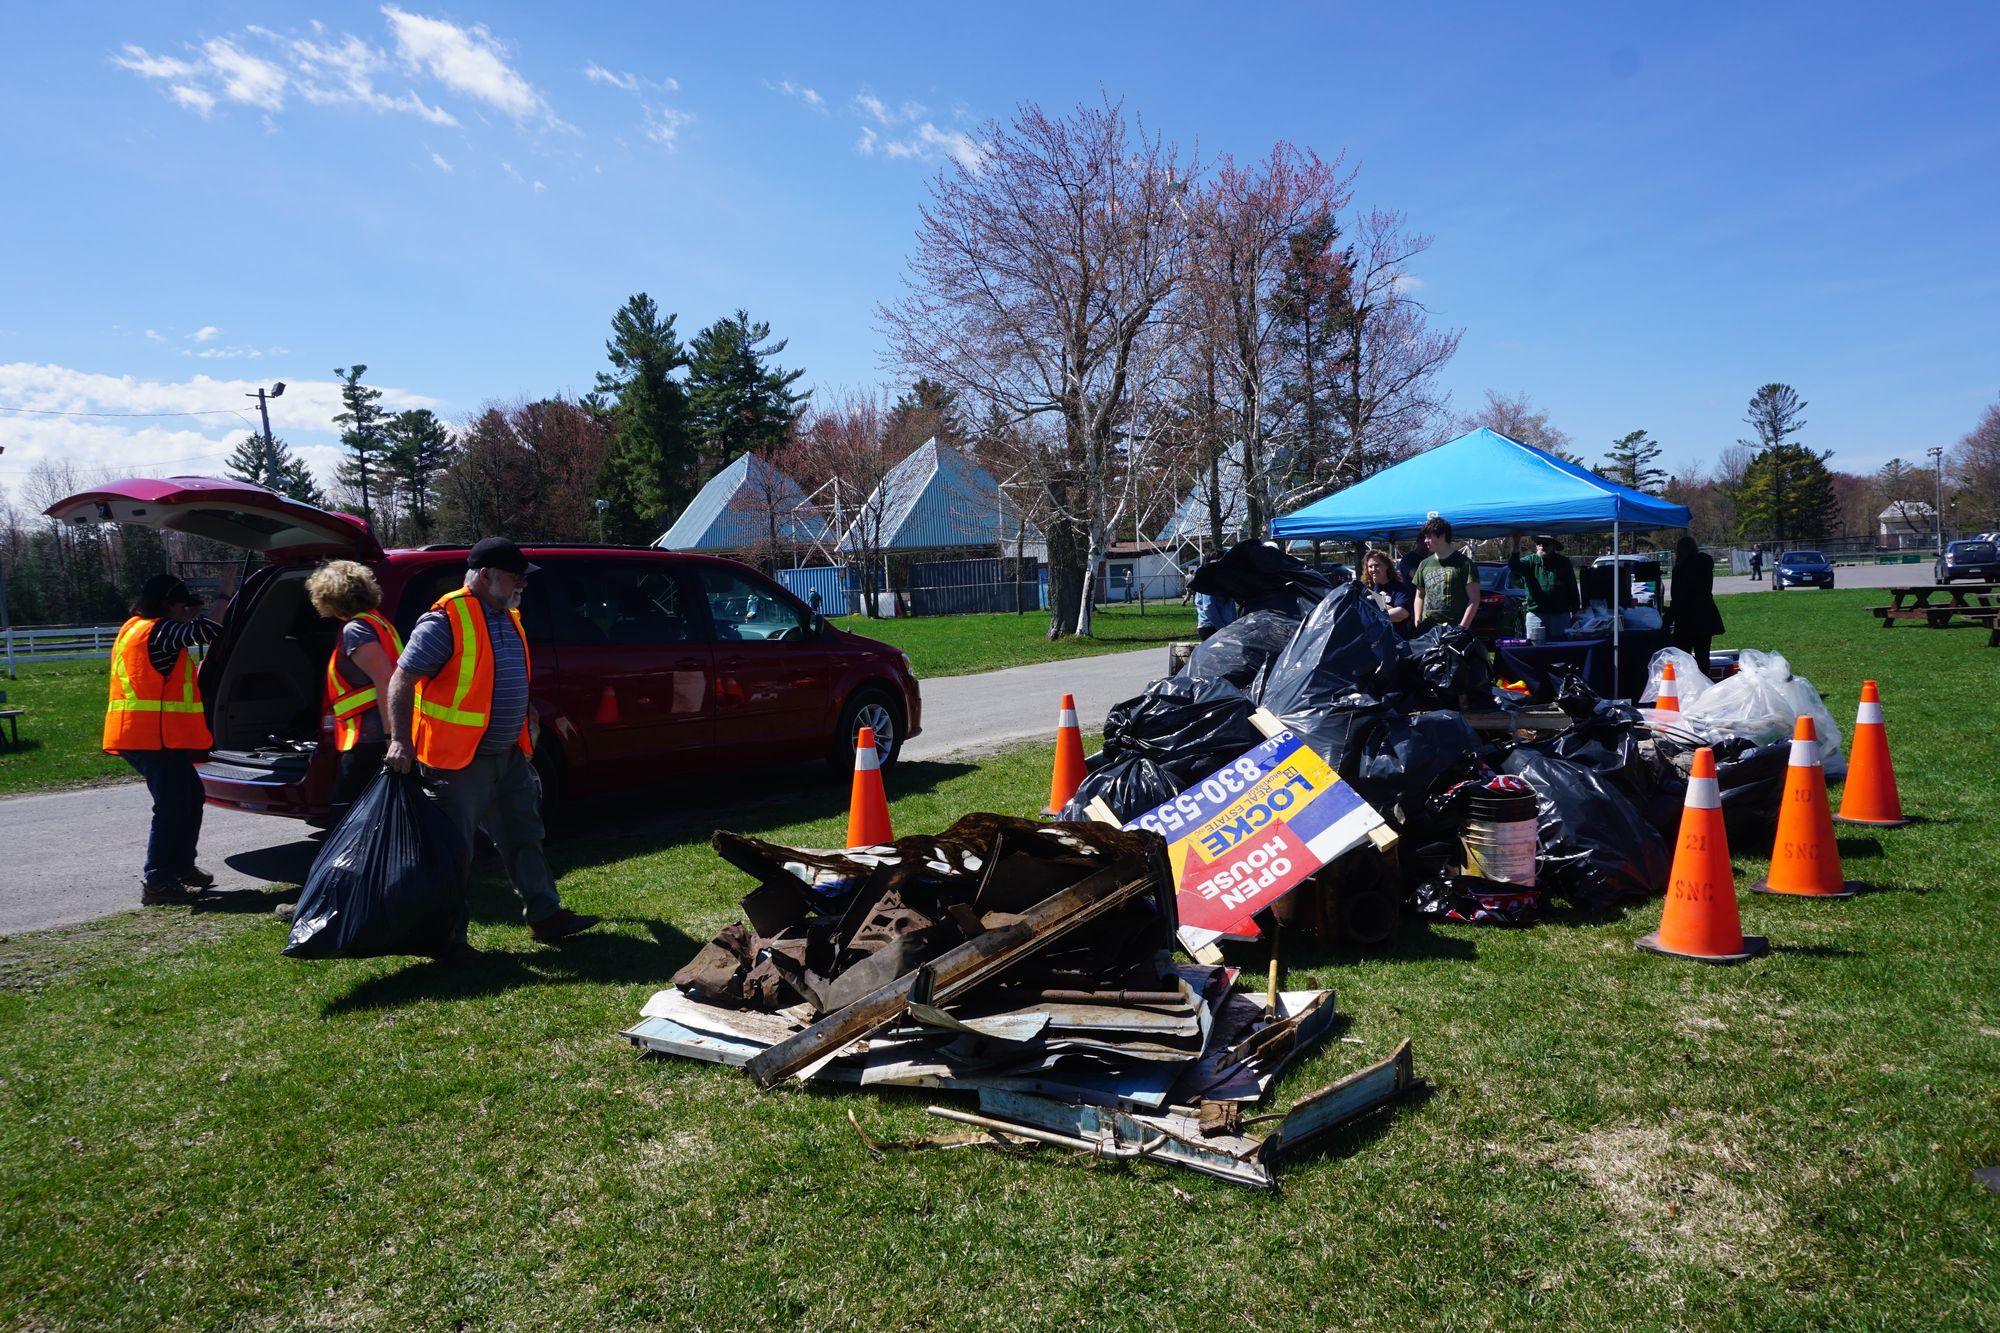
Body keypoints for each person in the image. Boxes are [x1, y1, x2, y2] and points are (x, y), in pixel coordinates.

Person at [384, 537, 598, 950]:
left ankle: (546, 916)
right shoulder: (445, 619)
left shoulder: (507, 616)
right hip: (457, 762)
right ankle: (446, 939)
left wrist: (527, 710)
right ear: (486, 575)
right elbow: (401, 679)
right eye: (517, 576)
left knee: (524, 836)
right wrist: (400, 741)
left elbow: (495, 679)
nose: (524, 584)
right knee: (455, 853)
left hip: (509, 756)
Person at [104, 574, 223, 905]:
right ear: (167, 605)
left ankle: (181, 867)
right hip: (149, 736)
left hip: (145, 734)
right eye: (184, 607)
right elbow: (206, 631)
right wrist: (225, 596)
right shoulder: (159, 629)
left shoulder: (135, 628)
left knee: (189, 795)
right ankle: (157, 879)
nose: (188, 613)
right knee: (172, 804)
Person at [307, 559, 403, 828]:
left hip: (369, 738)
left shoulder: (356, 629)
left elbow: (385, 681)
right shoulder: (379, 623)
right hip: (373, 736)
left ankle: (348, 868)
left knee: (344, 813)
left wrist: (391, 737)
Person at [1667, 535, 1726, 676]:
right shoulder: (1705, 565)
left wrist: (1666, 620)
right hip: (1705, 615)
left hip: (1686, 618)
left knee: (1683, 658)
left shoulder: (1680, 570)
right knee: (1703, 657)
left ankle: (1688, 687)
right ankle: (1704, 686)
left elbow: (1678, 598)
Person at [1507, 534, 1582, 643]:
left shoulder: (1564, 562)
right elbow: (1514, 566)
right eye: (1539, 543)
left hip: (1560, 614)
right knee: (1535, 648)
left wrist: (1576, 612)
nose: (1542, 546)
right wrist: (1516, 544)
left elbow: (1572, 587)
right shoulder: (1530, 561)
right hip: (1535, 614)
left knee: (1561, 646)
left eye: (1546, 544)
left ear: (1553, 546)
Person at [1411, 516, 1478, 633]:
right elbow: (1419, 595)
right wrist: (1417, 618)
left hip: (1454, 627)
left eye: (1428, 537)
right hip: (1428, 628)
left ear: (1442, 535)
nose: (1425, 541)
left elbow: (1474, 599)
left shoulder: (1464, 563)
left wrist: (1462, 627)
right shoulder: (1424, 564)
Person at [1361, 548, 1415, 637]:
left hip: (1396, 640)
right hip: (1372, 640)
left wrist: (1372, 614)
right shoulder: (1364, 589)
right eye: (1370, 566)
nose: (1373, 569)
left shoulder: (1398, 588)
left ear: (1387, 566)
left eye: (1377, 565)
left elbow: (1402, 614)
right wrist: (1387, 609)